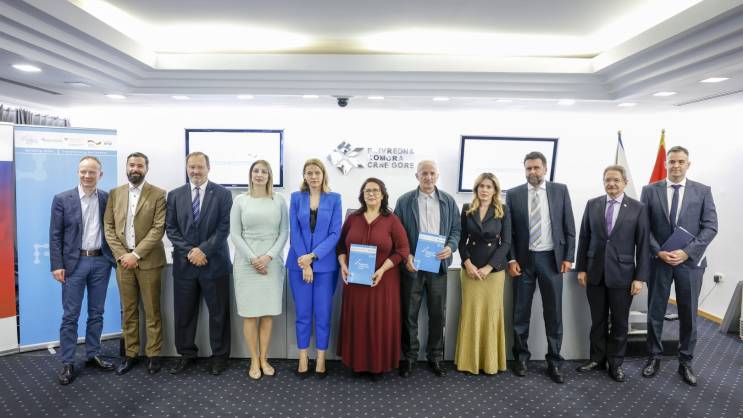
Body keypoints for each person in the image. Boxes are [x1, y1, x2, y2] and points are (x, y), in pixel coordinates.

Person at [641, 146, 718, 386]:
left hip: (690, 263)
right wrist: (658, 251)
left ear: (688, 164)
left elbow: (710, 227)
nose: (676, 165)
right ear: (666, 164)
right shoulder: (649, 190)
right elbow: (644, 227)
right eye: (672, 161)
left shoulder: (702, 191)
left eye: (680, 162)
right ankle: (654, 357)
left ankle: (685, 361)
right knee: (655, 312)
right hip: (659, 262)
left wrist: (686, 252)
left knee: (688, 314)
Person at [575, 165, 650, 382]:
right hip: (595, 273)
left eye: (616, 180)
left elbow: (643, 244)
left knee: (619, 322)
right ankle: (597, 359)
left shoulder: (638, 208)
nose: (611, 184)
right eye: (607, 180)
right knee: (597, 320)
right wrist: (581, 268)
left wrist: (640, 277)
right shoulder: (592, 204)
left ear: (625, 182)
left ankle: (615, 364)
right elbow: (584, 238)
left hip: (623, 275)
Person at [506, 151, 575, 383]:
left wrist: (568, 257)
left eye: (536, 167)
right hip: (523, 261)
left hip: (552, 260)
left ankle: (554, 361)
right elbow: (509, 232)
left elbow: (569, 226)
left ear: (545, 168)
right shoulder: (514, 194)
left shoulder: (560, 190)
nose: (532, 172)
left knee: (553, 314)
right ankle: (521, 358)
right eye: (528, 168)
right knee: (520, 313)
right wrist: (511, 259)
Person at [49, 156, 115, 385]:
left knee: (97, 313)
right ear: (78, 172)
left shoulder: (107, 198)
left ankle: (92, 353)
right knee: (70, 315)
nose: (87, 175)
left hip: (101, 262)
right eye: (83, 171)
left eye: (92, 172)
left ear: (100, 175)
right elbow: (55, 235)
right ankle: (67, 361)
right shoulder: (62, 199)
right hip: (73, 264)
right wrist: (57, 264)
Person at [165, 152, 233, 376]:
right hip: (185, 265)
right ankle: (186, 354)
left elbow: (224, 227)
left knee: (219, 314)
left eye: (199, 167)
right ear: (187, 168)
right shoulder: (175, 195)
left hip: (215, 263)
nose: (195, 171)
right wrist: (191, 251)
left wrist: (203, 250)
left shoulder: (223, 194)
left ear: (208, 168)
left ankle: (220, 356)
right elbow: (171, 229)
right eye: (191, 167)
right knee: (184, 313)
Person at [336, 178, 410, 380]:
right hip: (355, 283)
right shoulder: (353, 218)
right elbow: (341, 247)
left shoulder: (392, 220)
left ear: (383, 194)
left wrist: (383, 269)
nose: (371, 194)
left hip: (383, 282)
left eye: (376, 190)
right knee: (358, 322)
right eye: (367, 190)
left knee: (379, 322)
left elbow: (403, 250)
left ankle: (377, 366)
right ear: (362, 195)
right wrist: (343, 265)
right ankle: (357, 364)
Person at [394, 160, 460, 377]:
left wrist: (450, 247)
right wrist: (407, 255)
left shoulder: (448, 201)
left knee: (437, 314)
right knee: (409, 314)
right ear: (417, 176)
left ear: (437, 175)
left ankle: (436, 357)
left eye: (432, 173)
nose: (428, 177)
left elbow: (456, 230)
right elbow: (397, 233)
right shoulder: (404, 201)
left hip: (438, 267)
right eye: (424, 173)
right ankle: (409, 357)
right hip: (412, 267)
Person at [104, 152, 166, 375]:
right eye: (132, 165)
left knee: (152, 311)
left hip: (148, 261)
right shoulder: (115, 193)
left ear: (146, 169)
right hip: (123, 263)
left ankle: (153, 355)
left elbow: (158, 228)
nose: (135, 169)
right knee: (128, 311)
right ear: (126, 167)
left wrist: (136, 254)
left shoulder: (158, 194)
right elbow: (109, 227)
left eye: (139, 166)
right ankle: (131, 354)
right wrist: (123, 255)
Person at [230, 160, 288, 380]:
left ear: (269, 176)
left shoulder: (279, 200)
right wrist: (254, 259)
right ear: (250, 174)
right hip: (246, 264)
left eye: (264, 171)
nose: (260, 174)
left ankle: (264, 358)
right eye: (256, 171)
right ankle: (253, 360)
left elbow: (284, 232)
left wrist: (268, 256)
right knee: (249, 314)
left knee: (267, 313)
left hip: (272, 263)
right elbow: (235, 234)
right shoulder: (240, 201)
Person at [286, 159, 342, 378]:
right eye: (309, 173)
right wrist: (304, 261)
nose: (313, 176)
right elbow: (294, 232)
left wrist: (313, 257)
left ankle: (320, 358)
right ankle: (302, 357)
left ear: (323, 174)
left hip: (325, 266)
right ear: (304, 176)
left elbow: (335, 234)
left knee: (323, 314)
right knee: (302, 314)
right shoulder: (296, 198)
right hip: (298, 265)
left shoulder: (334, 198)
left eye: (317, 172)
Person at [455, 172, 511, 374]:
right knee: (471, 314)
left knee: (490, 315)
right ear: (476, 188)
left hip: (493, 273)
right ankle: (468, 362)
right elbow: (461, 240)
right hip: (470, 271)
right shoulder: (466, 209)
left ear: (495, 190)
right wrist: (467, 263)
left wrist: (489, 267)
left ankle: (490, 363)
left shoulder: (503, 209)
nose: (485, 190)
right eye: (481, 186)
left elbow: (506, 243)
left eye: (489, 187)